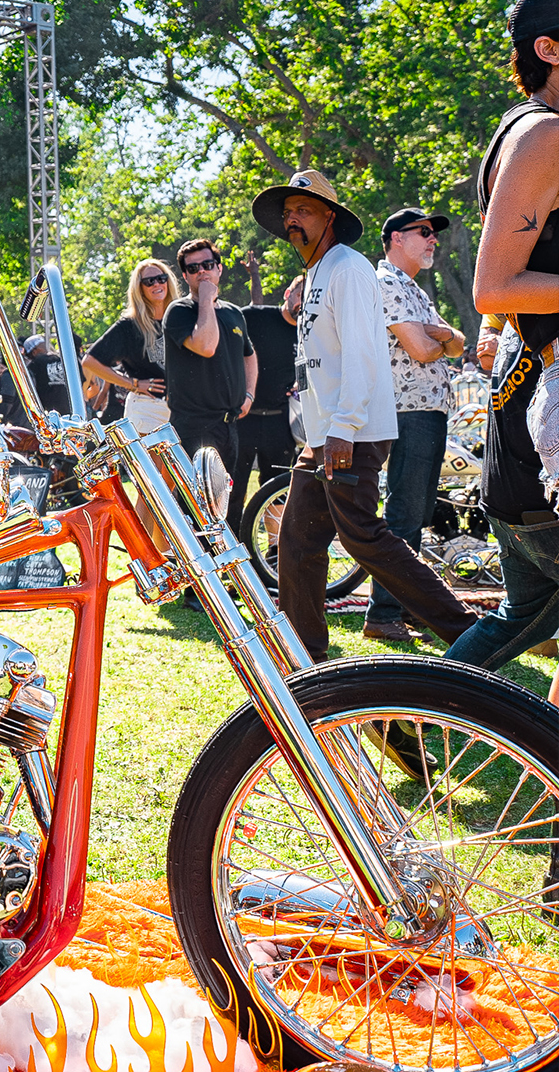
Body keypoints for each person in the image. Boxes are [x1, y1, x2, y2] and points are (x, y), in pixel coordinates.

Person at [251, 169, 475, 661]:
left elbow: (361, 354)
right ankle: (304, 655)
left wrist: (343, 428)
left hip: (350, 433)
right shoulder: (317, 272)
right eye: (288, 212)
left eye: (304, 210)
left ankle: (471, 636)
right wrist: (321, 432)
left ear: (330, 217)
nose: (292, 220)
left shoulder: (348, 268)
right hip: (325, 434)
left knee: (364, 538)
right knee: (298, 541)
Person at [444, 3, 559, 705]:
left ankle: (404, 712)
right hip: (543, 408)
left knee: (527, 614)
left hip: (525, 421)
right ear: (550, 48)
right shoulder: (544, 133)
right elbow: (493, 285)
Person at [362, 207, 465, 642]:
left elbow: (459, 344)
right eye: (423, 232)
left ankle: (407, 605)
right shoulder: (386, 281)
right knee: (404, 514)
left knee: (416, 513)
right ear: (396, 238)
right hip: (408, 411)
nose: (432, 239)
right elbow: (423, 350)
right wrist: (438, 337)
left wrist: (439, 336)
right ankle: (383, 614)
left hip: (427, 411)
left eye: (433, 233)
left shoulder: (414, 288)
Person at [164, 238, 258, 471]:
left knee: (228, 493)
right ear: (185, 276)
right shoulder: (179, 311)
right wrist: (206, 298)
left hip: (229, 426)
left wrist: (249, 395)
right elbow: (206, 346)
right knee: (198, 495)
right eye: (193, 268)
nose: (201, 272)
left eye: (207, 265)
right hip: (193, 428)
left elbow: (249, 354)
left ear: (219, 268)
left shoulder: (233, 312)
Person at [231, 275, 303, 534]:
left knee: (277, 488)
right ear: (288, 294)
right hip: (242, 417)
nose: (304, 303)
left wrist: (299, 385)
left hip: (279, 420)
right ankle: (228, 547)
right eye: (300, 295)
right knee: (233, 486)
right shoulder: (254, 316)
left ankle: (273, 550)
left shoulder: (309, 331)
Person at [81, 259, 180, 436]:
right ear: (139, 288)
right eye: (149, 281)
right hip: (147, 409)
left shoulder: (181, 318)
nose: (156, 284)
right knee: (152, 457)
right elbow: (90, 361)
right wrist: (133, 384)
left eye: (161, 278)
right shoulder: (130, 325)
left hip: (183, 409)